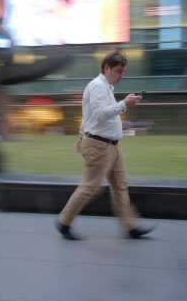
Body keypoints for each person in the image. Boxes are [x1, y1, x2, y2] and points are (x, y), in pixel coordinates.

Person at [55, 50, 156, 240]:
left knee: (120, 186)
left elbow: (88, 116)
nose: (121, 76)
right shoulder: (97, 86)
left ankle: (131, 226)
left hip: (111, 146)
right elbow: (100, 113)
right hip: (100, 146)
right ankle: (64, 222)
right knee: (89, 187)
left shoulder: (106, 87)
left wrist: (81, 136)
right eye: (118, 71)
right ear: (106, 68)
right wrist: (125, 104)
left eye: (123, 72)